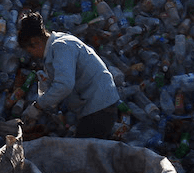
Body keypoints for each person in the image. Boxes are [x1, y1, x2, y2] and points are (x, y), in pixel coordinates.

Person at [17, 10, 120, 139]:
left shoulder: (61, 46)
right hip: (95, 106)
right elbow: (57, 86)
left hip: (99, 106)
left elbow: (64, 85)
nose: (32, 55)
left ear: (36, 41)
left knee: (84, 154)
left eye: (30, 50)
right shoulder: (56, 47)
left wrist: (37, 106)